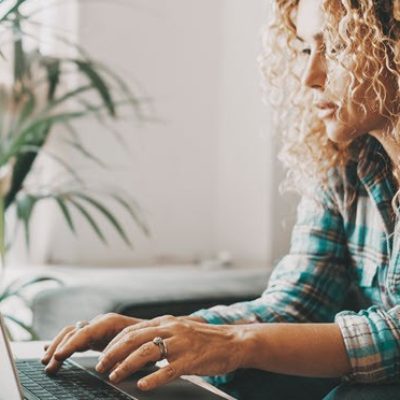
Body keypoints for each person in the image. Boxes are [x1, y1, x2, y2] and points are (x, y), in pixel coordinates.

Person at [42, 1, 400, 399]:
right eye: (303, 49)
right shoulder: (346, 163)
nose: (309, 76)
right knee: (211, 375)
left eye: (336, 46)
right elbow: (301, 299)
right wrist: (166, 334)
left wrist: (237, 342)